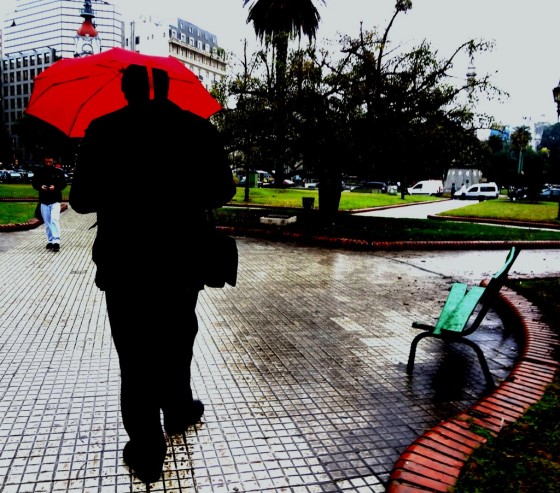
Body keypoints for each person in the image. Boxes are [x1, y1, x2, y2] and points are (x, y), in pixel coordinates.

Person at [69, 64, 236, 484]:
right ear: (166, 88)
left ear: (125, 90)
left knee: (135, 354)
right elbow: (224, 190)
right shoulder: (197, 129)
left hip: (125, 265)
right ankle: (178, 409)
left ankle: (146, 451)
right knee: (178, 338)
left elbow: (82, 200)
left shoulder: (103, 129)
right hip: (181, 260)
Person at [32, 156, 67, 252]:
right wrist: (40, 187)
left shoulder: (59, 172)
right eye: (47, 161)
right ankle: (50, 240)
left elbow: (64, 184)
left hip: (55, 200)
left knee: (54, 220)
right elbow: (34, 183)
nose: (48, 162)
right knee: (47, 222)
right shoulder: (39, 171)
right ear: (44, 160)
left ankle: (56, 241)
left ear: (53, 160)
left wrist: (55, 187)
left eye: (50, 160)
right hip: (44, 200)